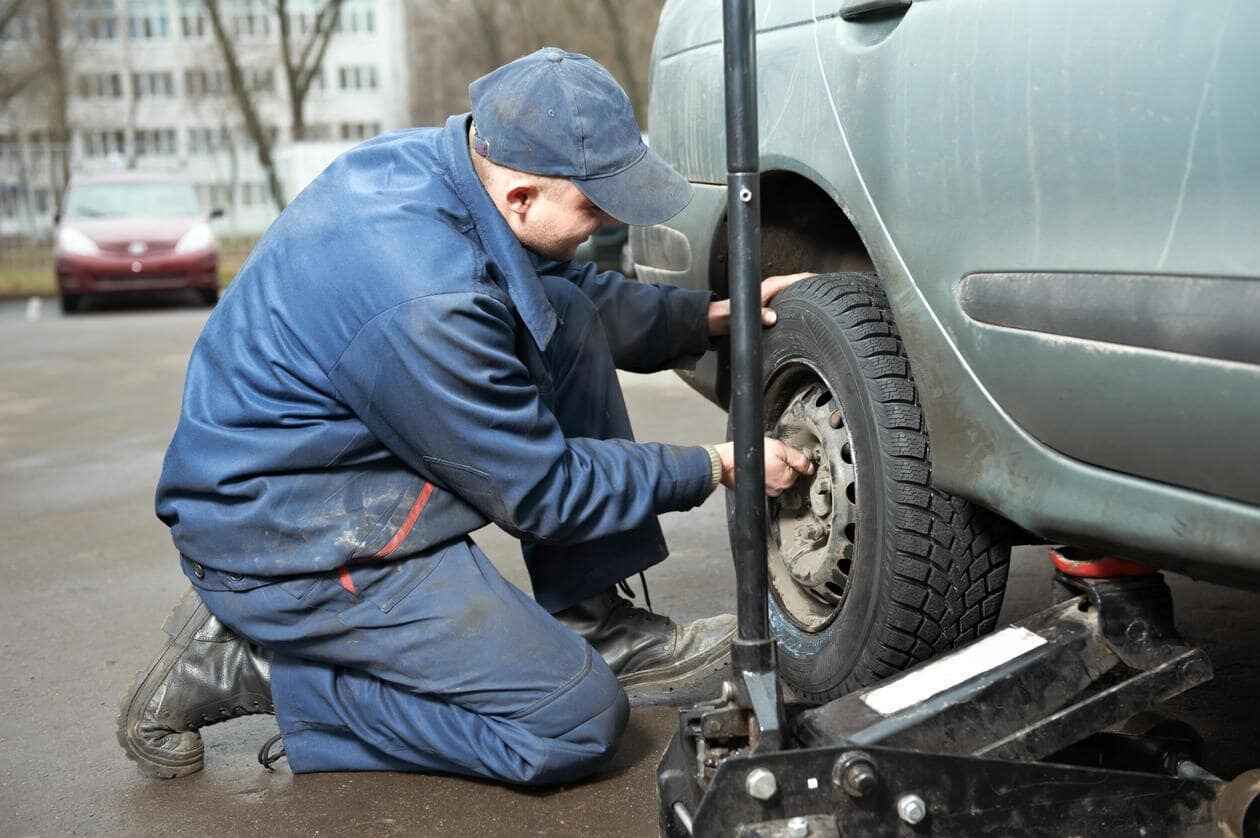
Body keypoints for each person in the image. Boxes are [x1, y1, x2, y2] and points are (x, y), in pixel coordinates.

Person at [118, 48, 813, 786]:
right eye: (596, 204)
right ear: (519, 196)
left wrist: (703, 319)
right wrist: (715, 464)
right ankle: (256, 667)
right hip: (296, 537)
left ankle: (595, 624)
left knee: (565, 312)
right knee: (574, 723)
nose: (609, 220)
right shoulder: (428, 300)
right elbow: (543, 488)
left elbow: (555, 292)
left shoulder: (443, 167)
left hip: (339, 470)